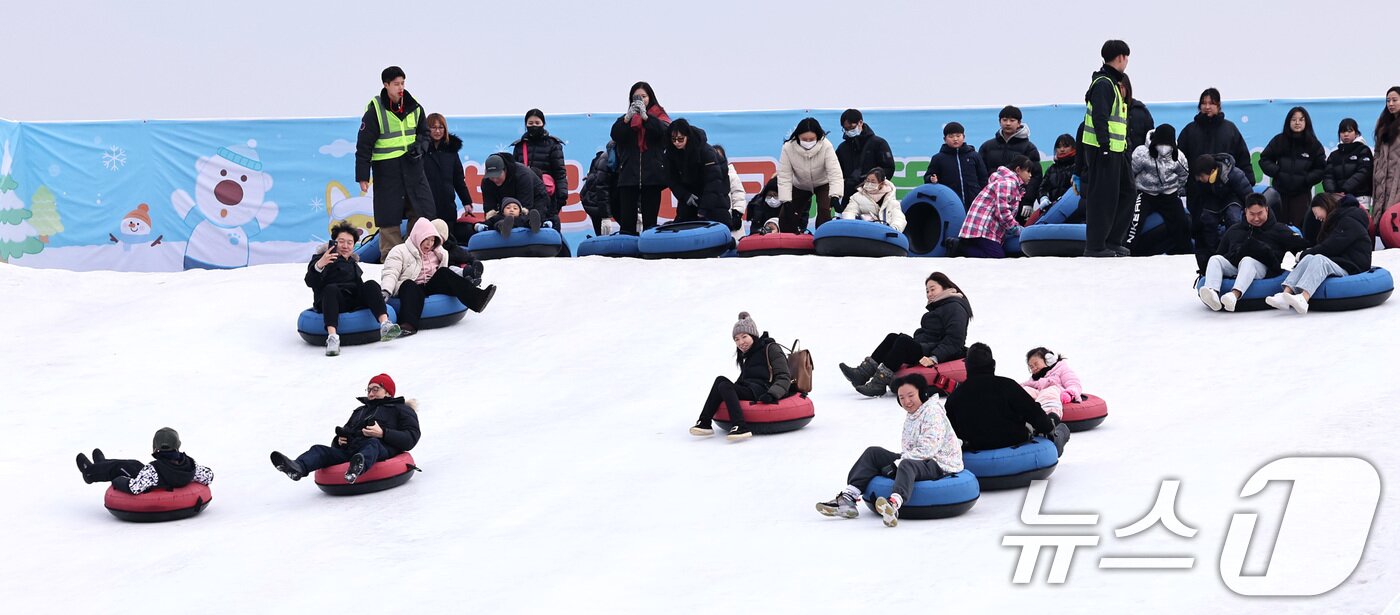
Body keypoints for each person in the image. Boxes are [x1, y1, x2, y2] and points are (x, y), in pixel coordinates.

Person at [815, 373, 963, 527]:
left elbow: (928, 449)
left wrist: (896, 465)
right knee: (873, 453)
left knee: (906, 464)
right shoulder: (914, 413)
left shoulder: (932, 412)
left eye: (911, 395)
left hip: (941, 463)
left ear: (922, 393)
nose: (906, 401)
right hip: (919, 459)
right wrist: (898, 462)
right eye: (901, 397)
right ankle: (848, 499)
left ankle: (893, 504)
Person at [271, 374, 421, 484]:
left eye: (375, 389)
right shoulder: (360, 411)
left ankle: (356, 469)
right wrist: (339, 440)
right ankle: (297, 468)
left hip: (381, 448)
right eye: (369, 390)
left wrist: (383, 433)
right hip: (352, 450)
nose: (370, 393)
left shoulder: (401, 409)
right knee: (319, 450)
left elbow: (412, 437)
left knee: (372, 444)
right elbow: (347, 432)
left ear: (388, 391)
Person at [840, 272, 972, 397]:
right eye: (927, 291)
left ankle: (879, 383)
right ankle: (862, 373)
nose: (929, 294)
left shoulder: (955, 307)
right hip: (929, 347)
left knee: (903, 342)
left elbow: (955, 339)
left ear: (946, 287)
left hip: (943, 352)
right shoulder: (943, 306)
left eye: (932, 289)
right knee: (893, 337)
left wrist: (934, 357)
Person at [355, 66, 436, 260]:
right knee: (389, 218)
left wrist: (420, 147)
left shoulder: (415, 107)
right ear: (386, 85)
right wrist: (363, 176)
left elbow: (424, 134)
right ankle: (392, 261)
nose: (401, 88)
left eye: (403, 83)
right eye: (396, 84)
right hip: (387, 172)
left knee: (422, 211)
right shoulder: (375, 111)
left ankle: (417, 257)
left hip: (413, 168)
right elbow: (364, 145)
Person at [945, 343, 1069, 454]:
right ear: (993, 365)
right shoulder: (1007, 386)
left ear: (967, 366)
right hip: (1014, 446)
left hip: (975, 452)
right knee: (1061, 430)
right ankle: (1056, 442)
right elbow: (1035, 415)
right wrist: (1049, 427)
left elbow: (949, 432)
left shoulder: (955, 397)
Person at [381, 218, 496, 335]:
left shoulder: (438, 252)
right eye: (426, 239)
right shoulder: (400, 251)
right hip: (410, 286)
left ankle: (478, 299)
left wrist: (465, 273)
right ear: (417, 236)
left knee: (444, 272)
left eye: (432, 240)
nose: (429, 244)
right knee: (409, 284)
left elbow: (446, 272)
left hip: (430, 285)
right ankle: (408, 324)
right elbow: (391, 272)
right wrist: (386, 290)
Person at [688, 312, 791, 442]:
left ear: (753, 335)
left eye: (744, 337)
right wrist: (730, 389)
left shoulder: (771, 348)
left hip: (764, 390)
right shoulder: (748, 354)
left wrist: (772, 394)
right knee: (720, 380)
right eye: (736, 339)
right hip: (751, 388)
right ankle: (704, 422)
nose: (740, 342)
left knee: (724, 385)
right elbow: (745, 379)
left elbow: (784, 376)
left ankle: (741, 426)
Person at [1198, 193, 1308, 312]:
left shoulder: (1279, 230)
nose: (1256, 218)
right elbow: (1221, 253)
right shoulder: (1235, 230)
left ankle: (1234, 295)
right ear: (1246, 211)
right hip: (1236, 266)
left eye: (1260, 213)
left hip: (1264, 270)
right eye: (1252, 214)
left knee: (1247, 260)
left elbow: (1301, 247)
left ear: (1266, 210)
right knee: (1215, 259)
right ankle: (1212, 293)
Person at [306, 222, 401, 356]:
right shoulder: (320, 259)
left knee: (371, 284)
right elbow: (310, 281)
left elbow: (359, 286)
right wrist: (320, 264)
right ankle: (332, 337)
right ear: (334, 242)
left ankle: (385, 324)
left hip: (352, 300)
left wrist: (371, 296)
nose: (345, 246)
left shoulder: (352, 262)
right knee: (331, 289)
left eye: (349, 243)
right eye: (341, 242)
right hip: (332, 300)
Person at [1266, 195, 1373, 314]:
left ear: (1324, 206)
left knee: (1319, 259)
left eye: (1317, 213)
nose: (1317, 218)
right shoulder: (1336, 220)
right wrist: (1306, 255)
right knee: (1309, 258)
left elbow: (1332, 246)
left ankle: (1304, 298)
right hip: (1341, 261)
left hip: (1352, 266)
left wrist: (1304, 253)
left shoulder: (1349, 220)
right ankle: (1285, 294)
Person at [1081, 40, 1135, 257]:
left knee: (1127, 192)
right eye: (1127, 57)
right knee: (1102, 198)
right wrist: (1104, 146)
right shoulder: (1104, 83)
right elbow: (1100, 117)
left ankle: (1112, 241)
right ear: (1121, 57)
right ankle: (1095, 246)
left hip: (1117, 150)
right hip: (1102, 149)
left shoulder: (1113, 83)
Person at [609, 82, 671, 235]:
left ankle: (649, 246)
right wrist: (628, 118)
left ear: (650, 97)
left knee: (650, 223)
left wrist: (646, 117)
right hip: (629, 176)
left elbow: (664, 132)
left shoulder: (659, 116)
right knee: (627, 224)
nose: (640, 100)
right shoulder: (625, 119)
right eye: (636, 97)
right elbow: (615, 134)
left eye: (644, 96)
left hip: (652, 177)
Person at [75, 428, 213, 495]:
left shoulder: (153, 470)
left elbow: (135, 488)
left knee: (120, 468)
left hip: (152, 483)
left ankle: (90, 473)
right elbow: (208, 476)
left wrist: (117, 480)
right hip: (162, 477)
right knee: (133, 463)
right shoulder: (189, 466)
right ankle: (102, 463)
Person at [1259, 106, 1326, 228]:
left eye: (1301, 119)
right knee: (1277, 228)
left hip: (1301, 195)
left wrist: (1307, 179)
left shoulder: (1313, 144)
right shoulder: (1279, 140)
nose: (1297, 123)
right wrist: (1277, 172)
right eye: (1294, 119)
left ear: (1306, 122)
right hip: (1280, 193)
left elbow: (1321, 168)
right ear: (1288, 122)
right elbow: (1264, 159)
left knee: (1300, 228)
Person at [1131, 124, 1193, 254]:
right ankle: (1128, 249)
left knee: (1181, 220)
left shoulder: (1179, 157)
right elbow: (1131, 172)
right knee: (1135, 220)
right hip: (1145, 193)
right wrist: (1133, 190)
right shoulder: (1142, 153)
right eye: (1161, 143)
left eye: (1167, 144)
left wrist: (1177, 189)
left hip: (1169, 194)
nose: (1164, 147)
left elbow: (1184, 175)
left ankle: (1184, 252)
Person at [955, 156, 1033, 258]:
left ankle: (966, 246)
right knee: (996, 257)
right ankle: (958, 247)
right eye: (1028, 171)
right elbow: (1003, 211)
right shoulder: (1008, 183)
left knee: (996, 253)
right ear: (1018, 170)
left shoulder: (1008, 183)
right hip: (982, 228)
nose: (1030, 175)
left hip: (985, 228)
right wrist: (1016, 229)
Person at [1187, 153, 1253, 272]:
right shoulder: (1201, 182)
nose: (1200, 179)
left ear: (1212, 171)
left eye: (1201, 176)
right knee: (1208, 220)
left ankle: (1235, 251)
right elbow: (1198, 200)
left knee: (1233, 218)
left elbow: (1248, 194)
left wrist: (1251, 210)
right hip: (1213, 201)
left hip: (1232, 199)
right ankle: (1214, 253)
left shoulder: (1233, 174)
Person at [776, 117, 844, 231]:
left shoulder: (826, 145)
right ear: (798, 136)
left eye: (811, 139)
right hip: (800, 184)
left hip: (823, 183)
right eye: (804, 139)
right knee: (787, 215)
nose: (808, 142)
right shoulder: (788, 148)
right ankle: (789, 237)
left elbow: (834, 172)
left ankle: (822, 236)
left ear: (818, 136)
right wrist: (786, 200)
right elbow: (784, 176)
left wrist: (835, 195)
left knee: (824, 210)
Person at [1178, 88, 1256, 186]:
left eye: (1211, 103)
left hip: (1224, 187)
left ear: (1218, 106)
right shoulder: (1190, 130)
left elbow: (1242, 158)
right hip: (1196, 187)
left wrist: (1249, 181)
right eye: (1204, 103)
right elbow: (1179, 159)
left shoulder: (1230, 129)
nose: (1207, 107)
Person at [978, 105, 1042, 221]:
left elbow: (1035, 176)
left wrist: (1028, 201)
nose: (1008, 123)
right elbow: (980, 173)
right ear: (999, 122)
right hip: (991, 200)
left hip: (1018, 202)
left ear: (1019, 123)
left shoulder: (1029, 148)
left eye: (1012, 120)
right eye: (1004, 120)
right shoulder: (987, 146)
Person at [663, 119, 730, 223]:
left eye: (680, 139)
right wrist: (684, 195)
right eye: (673, 139)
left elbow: (714, 182)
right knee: (682, 225)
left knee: (715, 225)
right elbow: (671, 179)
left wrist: (703, 209)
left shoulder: (705, 151)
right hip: (689, 198)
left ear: (688, 136)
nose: (676, 143)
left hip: (714, 198)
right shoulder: (670, 153)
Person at [511, 109, 568, 228]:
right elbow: (513, 173)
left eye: (537, 123)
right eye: (530, 123)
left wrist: (562, 196)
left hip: (548, 195)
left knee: (549, 224)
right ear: (526, 125)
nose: (534, 126)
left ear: (543, 124)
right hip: (525, 194)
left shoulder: (553, 144)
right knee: (525, 225)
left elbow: (560, 173)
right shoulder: (519, 146)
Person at [836, 109, 896, 207]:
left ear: (860, 122)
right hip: (849, 197)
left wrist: (872, 184)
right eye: (845, 129)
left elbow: (889, 168)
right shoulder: (842, 148)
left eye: (851, 127)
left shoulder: (879, 143)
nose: (849, 131)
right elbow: (836, 173)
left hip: (875, 197)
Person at [422, 113, 474, 225]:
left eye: (441, 127)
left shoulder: (451, 151)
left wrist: (466, 201)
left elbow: (458, 179)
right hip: (425, 205)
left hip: (447, 205)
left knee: (449, 233)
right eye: (433, 127)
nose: (437, 131)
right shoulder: (420, 150)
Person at [923, 121, 989, 207]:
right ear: (945, 139)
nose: (955, 139)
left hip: (975, 202)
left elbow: (983, 178)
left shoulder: (974, 155)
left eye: (958, 136)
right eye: (951, 136)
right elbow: (927, 177)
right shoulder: (938, 158)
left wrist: (982, 196)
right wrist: (931, 179)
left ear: (963, 137)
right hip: (949, 202)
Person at [480, 153, 550, 232]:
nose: (495, 180)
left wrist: (512, 221)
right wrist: (490, 221)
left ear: (505, 170)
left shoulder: (522, 175)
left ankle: (531, 223)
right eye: (492, 177)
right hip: (507, 202)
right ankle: (502, 225)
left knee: (529, 217)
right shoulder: (487, 182)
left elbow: (525, 206)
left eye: (498, 176)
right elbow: (489, 207)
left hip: (535, 199)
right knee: (495, 219)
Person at [1322, 118, 1374, 214]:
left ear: (1356, 133)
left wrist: (1345, 189)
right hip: (1338, 200)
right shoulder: (1333, 155)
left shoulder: (1363, 150)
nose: (1346, 134)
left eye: (1350, 131)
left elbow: (1364, 172)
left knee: (1359, 222)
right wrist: (1334, 193)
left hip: (1360, 198)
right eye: (1343, 131)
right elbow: (1328, 176)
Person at [1020, 348, 1083, 418]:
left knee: (1050, 390)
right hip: (1040, 396)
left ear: (1049, 359)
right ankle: (1016, 415)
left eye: (1036, 364)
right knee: (1026, 390)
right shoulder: (1034, 378)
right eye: (1031, 367)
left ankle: (1049, 417)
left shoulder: (1061, 368)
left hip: (1057, 395)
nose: (1034, 368)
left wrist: (1069, 394)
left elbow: (1074, 383)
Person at [1372, 86, 1400, 234]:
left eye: (1395, 100)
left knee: (1395, 224)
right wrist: (1377, 169)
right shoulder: (1383, 124)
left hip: (1397, 180)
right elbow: (1377, 152)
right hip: (1383, 180)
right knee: (1384, 226)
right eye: (1388, 100)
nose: (1391, 104)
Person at [841, 168, 906, 231]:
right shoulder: (857, 197)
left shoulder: (892, 202)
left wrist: (894, 229)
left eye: (873, 182)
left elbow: (899, 218)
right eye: (868, 180)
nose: (869, 183)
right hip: (864, 232)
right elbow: (849, 212)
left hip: (885, 234)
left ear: (881, 184)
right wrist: (850, 226)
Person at [580, 142, 618, 235]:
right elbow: (601, 187)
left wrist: (638, 209)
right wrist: (605, 217)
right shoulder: (607, 158)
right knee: (602, 234)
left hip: (615, 197)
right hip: (595, 200)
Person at [712, 144, 748, 233]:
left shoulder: (731, 175)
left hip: (731, 219)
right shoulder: (708, 177)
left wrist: (737, 214)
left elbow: (739, 195)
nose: (717, 159)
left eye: (719, 156)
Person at [1038, 133, 1079, 207]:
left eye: (1065, 146)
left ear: (1073, 147)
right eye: (1059, 147)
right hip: (1053, 208)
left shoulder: (1078, 167)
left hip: (1074, 207)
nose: (1062, 149)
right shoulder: (1051, 169)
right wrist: (1043, 198)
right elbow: (1043, 188)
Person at [1121, 73, 1155, 152]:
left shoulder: (1141, 111)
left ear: (1127, 88)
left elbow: (1151, 137)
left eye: (1122, 87)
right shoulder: (1106, 111)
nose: (1119, 90)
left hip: (1138, 156)